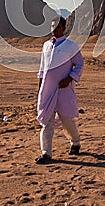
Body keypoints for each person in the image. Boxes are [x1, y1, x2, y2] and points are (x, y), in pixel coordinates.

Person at [35, 16, 84, 164]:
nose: (53, 30)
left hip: (64, 89)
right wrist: (40, 87)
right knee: (47, 121)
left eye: (57, 27)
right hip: (48, 90)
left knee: (66, 119)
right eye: (52, 27)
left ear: (63, 28)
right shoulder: (46, 46)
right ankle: (46, 153)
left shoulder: (71, 46)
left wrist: (69, 79)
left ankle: (75, 142)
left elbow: (80, 64)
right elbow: (42, 68)